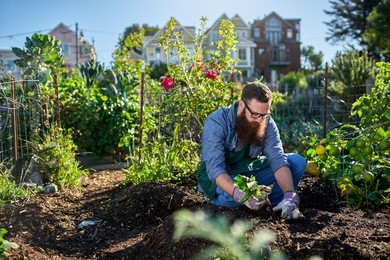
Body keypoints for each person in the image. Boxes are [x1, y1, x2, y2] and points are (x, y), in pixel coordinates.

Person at [196, 81, 306, 219]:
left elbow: (277, 158)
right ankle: (220, 203)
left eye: (264, 115)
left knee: (297, 162)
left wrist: (290, 194)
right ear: (242, 104)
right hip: (222, 176)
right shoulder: (217, 121)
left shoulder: (266, 122)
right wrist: (239, 194)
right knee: (234, 198)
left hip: (247, 172)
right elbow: (215, 169)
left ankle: (277, 205)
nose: (260, 120)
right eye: (255, 114)